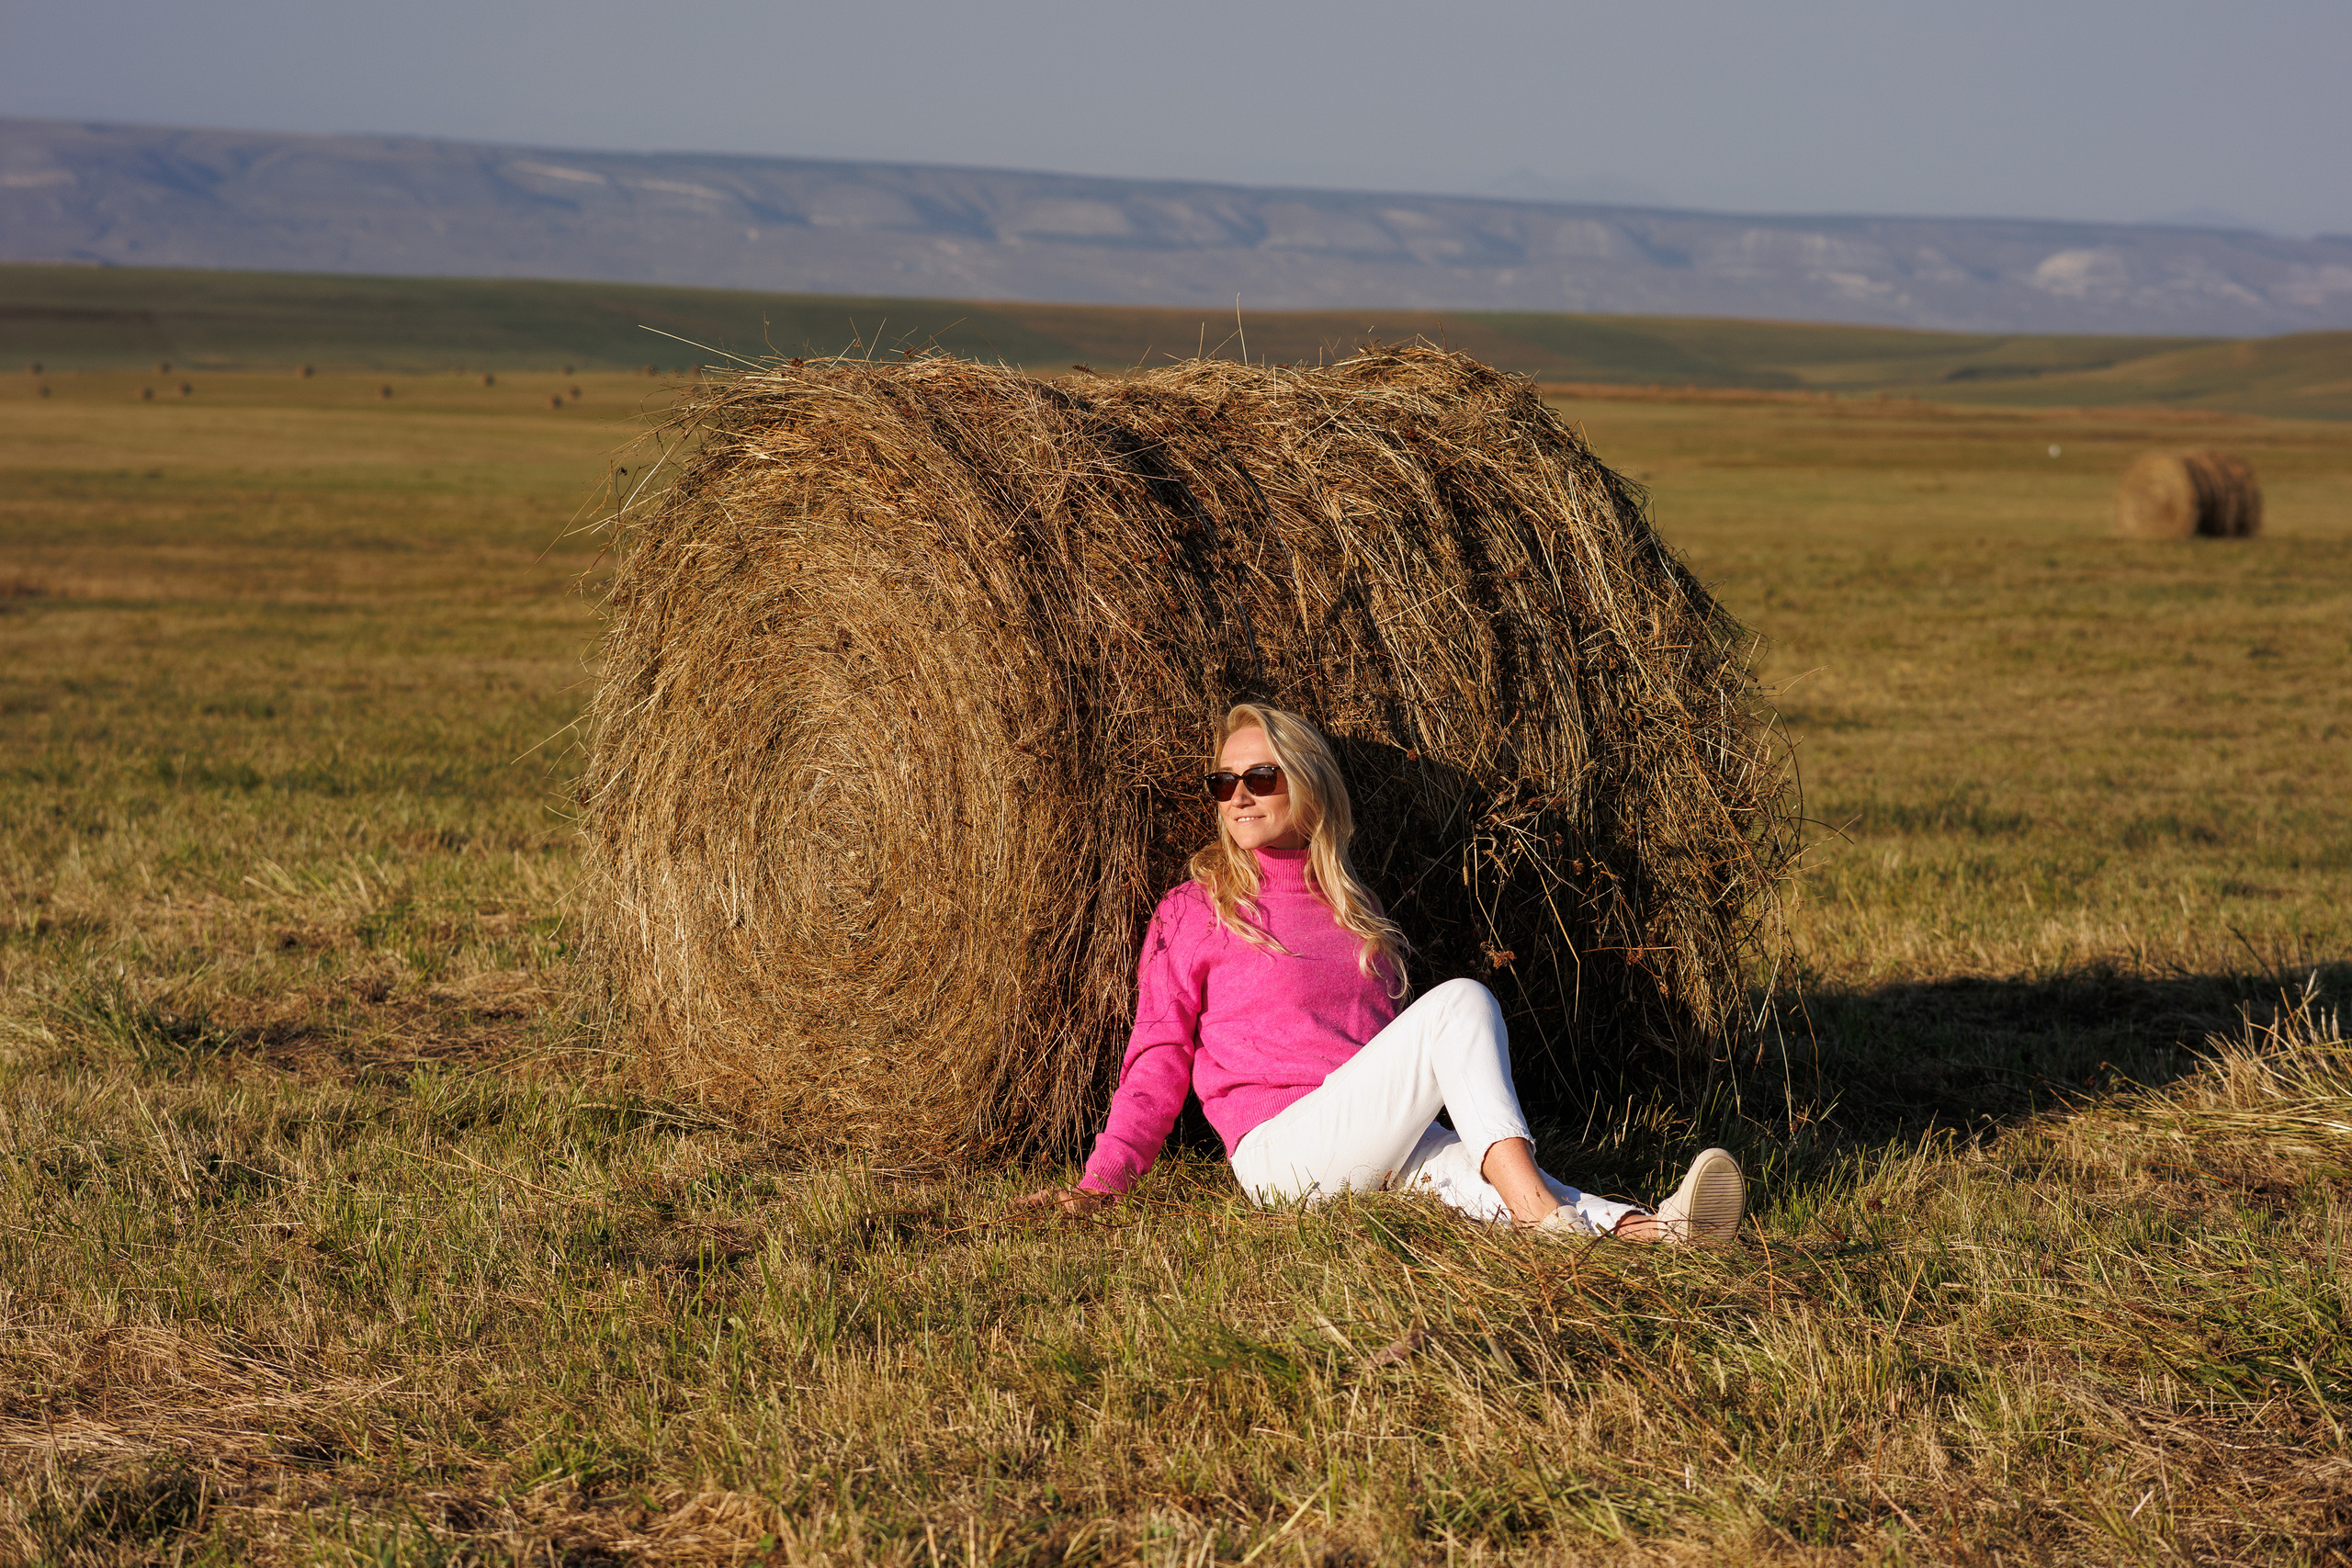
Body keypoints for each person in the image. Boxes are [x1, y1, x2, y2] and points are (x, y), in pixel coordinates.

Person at [1014, 704, 1745, 1242]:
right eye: (1223, 780)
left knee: (1474, 1168)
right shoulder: (1195, 910)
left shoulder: (1352, 905)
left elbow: (1381, 1064)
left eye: (1260, 777)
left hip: (1368, 1135)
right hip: (1282, 1153)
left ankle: (1650, 1233)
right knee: (1461, 1003)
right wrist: (1099, 1187)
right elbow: (1157, 1057)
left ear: (1306, 784)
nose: (1237, 794)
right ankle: (1543, 1214)